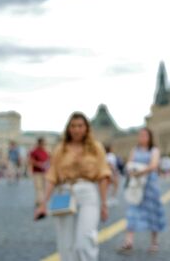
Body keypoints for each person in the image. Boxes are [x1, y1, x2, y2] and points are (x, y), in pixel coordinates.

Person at [34, 112, 111, 261]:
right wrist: (43, 203)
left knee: (85, 240)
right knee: (65, 243)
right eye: (73, 126)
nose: (76, 130)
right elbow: (52, 176)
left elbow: (103, 175)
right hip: (64, 191)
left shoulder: (96, 148)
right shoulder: (60, 149)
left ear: (87, 128)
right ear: (68, 128)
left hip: (88, 191)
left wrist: (104, 204)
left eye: (80, 126)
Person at [118, 128, 166, 253]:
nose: (142, 137)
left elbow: (154, 165)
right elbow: (129, 163)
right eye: (141, 135)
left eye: (145, 135)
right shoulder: (134, 150)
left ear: (150, 137)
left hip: (150, 185)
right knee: (132, 211)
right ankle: (129, 241)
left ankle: (154, 242)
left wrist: (140, 172)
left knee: (153, 212)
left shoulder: (154, 150)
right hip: (137, 186)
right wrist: (131, 171)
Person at [29, 137, 50, 207]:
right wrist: (39, 164)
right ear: (39, 143)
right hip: (37, 172)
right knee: (39, 187)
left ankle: (39, 200)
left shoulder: (45, 151)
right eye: (43, 143)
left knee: (43, 187)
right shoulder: (34, 151)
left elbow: (49, 159)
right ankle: (40, 202)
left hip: (45, 172)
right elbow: (31, 161)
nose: (44, 145)